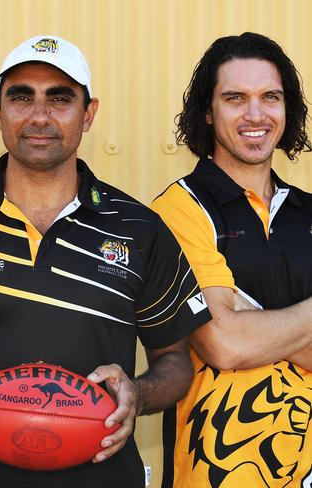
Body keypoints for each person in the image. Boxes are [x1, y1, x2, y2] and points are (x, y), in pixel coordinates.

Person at [0, 35, 210, 487]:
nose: (40, 116)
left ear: (89, 114)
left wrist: (138, 395)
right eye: (21, 97)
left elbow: (175, 360)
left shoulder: (138, 228)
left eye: (60, 99)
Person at [151, 32, 312, 487]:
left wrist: (246, 313)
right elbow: (223, 344)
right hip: (217, 470)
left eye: (271, 97)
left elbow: (238, 334)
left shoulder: (309, 210)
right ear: (208, 110)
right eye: (235, 98)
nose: (255, 114)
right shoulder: (179, 209)